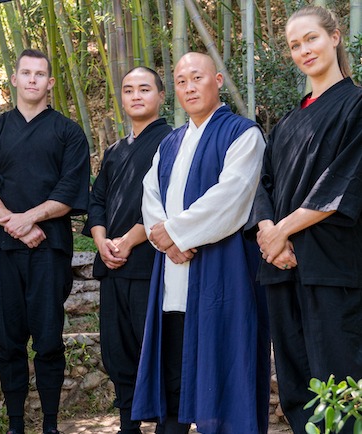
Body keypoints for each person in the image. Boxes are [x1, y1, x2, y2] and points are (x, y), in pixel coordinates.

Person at [131, 52, 270, 434]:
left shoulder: (243, 133)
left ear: (218, 80)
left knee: (223, 378)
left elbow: (233, 197)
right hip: (173, 276)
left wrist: (174, 233)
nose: (189, 87)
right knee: (173, 381)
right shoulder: (169, 144)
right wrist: (166, 239)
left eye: (197, 78)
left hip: (223, 277)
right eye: (180, 81)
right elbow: (151, 197)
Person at [245, 6, 362, 433]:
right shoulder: (288, 123)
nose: (303, 50)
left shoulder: (357, 105)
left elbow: (342, 184)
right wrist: (267, 235)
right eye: (294, 45)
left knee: (341, 383)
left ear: (334, 37)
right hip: (281, 268)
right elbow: (264, 185)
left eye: (311, 38)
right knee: (297, 386)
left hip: (332, 270)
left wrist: (281, 232)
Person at [0, 49, 90, 434]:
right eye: (25, 73)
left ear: (51, 83)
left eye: (39, 74)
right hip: (1, 250)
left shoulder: (69, 133)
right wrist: (16, 225)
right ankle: (14, 424)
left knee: (48, 338)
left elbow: (70, 189)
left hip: (50, 249)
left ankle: (49, 424)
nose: (32, 79)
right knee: (9, 341)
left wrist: (29, 219)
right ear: (13, 80)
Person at [82, 66, 172, 434]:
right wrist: (102, 241)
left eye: (144, 89)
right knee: (117, 349)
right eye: (128, 89)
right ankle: (128, 425)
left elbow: (166, 202)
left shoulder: (173, 142)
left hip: (151, 263)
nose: (136, 95)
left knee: (156, 346)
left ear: (161, 96)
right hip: (113, 265)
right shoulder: (115, 150)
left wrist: (128, 241)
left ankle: (168, 423)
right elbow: (97, 200)